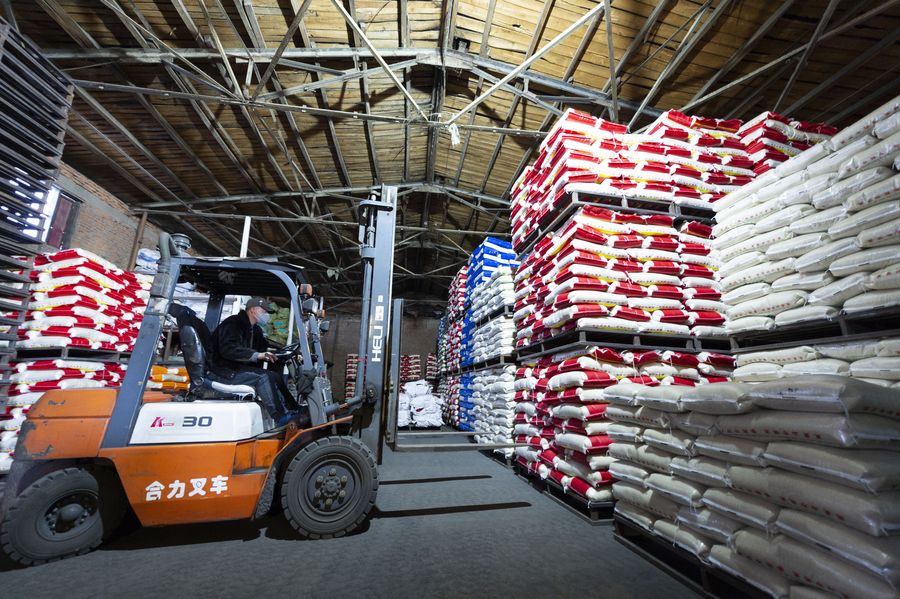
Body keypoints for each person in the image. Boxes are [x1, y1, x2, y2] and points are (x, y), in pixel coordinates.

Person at [210, 297, 297, 426]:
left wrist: (282, 353)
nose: (266, 315)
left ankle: (294, 408)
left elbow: (264, 347)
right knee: (263, 377)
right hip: (222, 370)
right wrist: (257, 355)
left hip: (236, 368)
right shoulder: (233, 324)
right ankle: (280, 418)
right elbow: (229, 349)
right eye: (264, 311)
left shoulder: (255, 330)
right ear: (252, 310)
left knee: (274, 375)